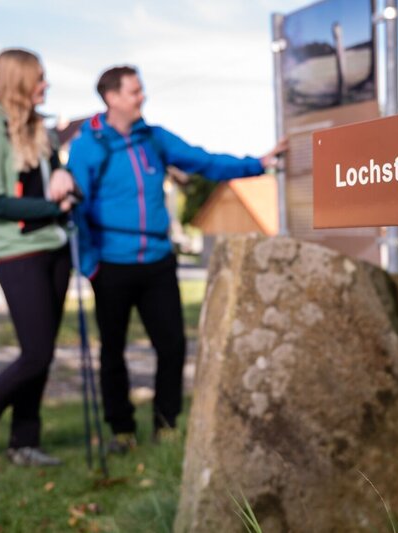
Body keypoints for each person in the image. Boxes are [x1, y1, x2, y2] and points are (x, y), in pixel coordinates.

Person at [67, 65, 286, 452]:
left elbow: (203, 161)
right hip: (111, 264)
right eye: (135, 91)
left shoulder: (154, 138)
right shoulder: (89, 146)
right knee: (113, 351)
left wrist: (257, 163)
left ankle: (166, 423)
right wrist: (90, 264)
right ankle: (121, 429)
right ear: (112, 97)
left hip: (157, 261)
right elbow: (76, 207)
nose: (142, 97)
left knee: (171, 345)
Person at [0, 48, 76, 467]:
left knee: (42, 355)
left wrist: (64, 176)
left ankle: (24, 442)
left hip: (56, 250)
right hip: (18, 253)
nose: (46, 85)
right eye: (39, 78)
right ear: (19, 82)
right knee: (35, 354)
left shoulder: (44, 131)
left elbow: (57, 179)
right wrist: (53, 207)